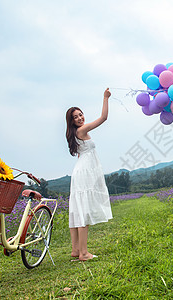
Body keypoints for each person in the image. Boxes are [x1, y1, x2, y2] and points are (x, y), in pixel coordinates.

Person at [65, 88, 113, 261]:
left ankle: (76, 250)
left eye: (80, 115)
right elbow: (103, 118)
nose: (79, 118)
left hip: (81, 170)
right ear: (71, 121)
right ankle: (84, 253)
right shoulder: (81, 131)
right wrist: (105, 98)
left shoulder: (75, 134)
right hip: (84, 172)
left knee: (77, 210)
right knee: (82, 210)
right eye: (75, 117)